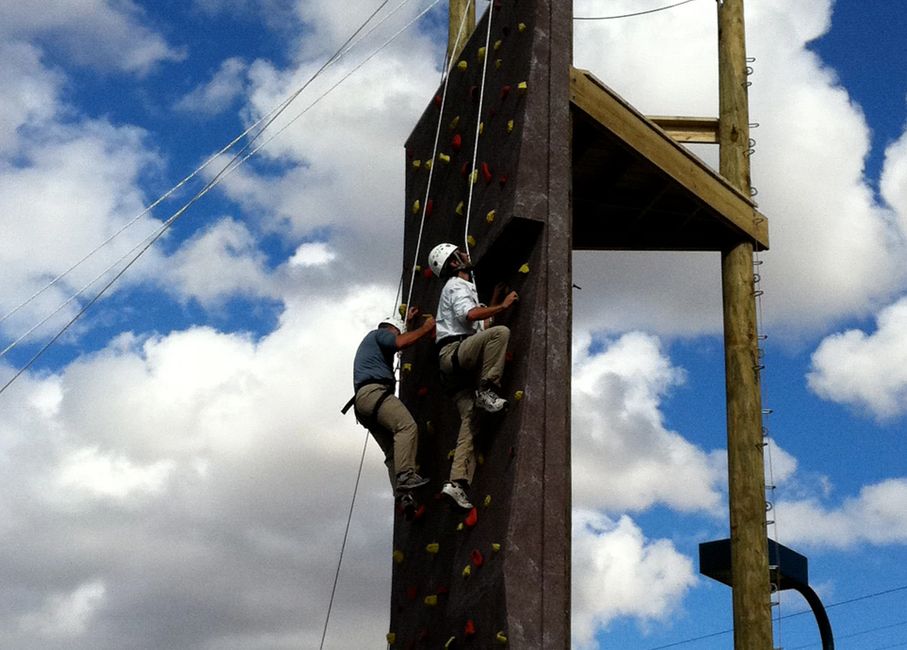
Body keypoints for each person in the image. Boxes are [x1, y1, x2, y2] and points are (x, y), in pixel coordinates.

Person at [428, 243, 519, 509]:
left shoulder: (463, 289)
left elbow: (480, 325)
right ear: (454, 262)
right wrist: (503, 306)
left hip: (453, 371)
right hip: (455, 353)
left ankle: (456, 483)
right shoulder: (456, 285)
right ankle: (486, 389)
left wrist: (495, 299)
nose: (467, 255)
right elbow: (470, 316)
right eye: (462, 253)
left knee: (471, 418)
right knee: (501, 333)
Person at [350, 307, 436, 499]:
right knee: (406, 426)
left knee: (392, 452)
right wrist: (425, 328)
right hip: (374, 393)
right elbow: (400, 342)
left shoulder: (373, 344)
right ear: (392, 329)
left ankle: (403, 498)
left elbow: (400, 340)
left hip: (363, 404)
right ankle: (406, 476)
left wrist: (408, 323)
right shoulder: (381, 333)